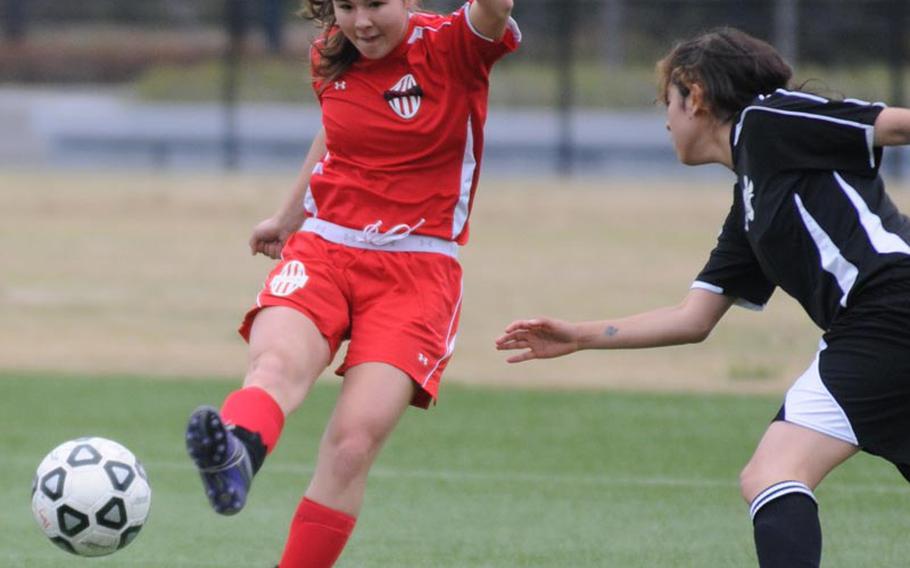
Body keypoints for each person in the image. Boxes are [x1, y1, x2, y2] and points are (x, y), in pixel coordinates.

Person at [496, 27, 910, 568]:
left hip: (887, 310)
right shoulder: (751, 201)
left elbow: (897, 125)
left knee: (773, 473)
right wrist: (578, 336)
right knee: (774, 473)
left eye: (666, 101)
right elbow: (693, 318)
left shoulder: (767, 120)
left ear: (694, 94)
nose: (665, 120)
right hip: (881, 323)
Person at [184, 1, 519, 566]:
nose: (360, 22)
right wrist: (288, 216)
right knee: (273, 369)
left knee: (352, 445)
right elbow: (336, 132)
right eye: (346, 6)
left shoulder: (456, 45)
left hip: (417, 271)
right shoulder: (331, 55)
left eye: (375, 5)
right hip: (326, 248)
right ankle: (236, 455)